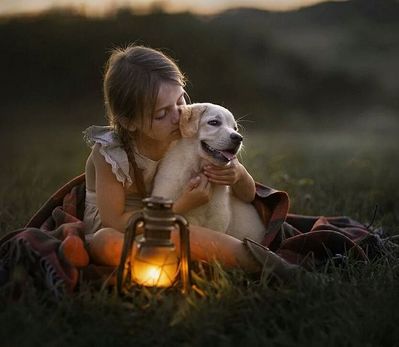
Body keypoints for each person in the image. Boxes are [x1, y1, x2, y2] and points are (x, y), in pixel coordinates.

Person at [82, 44, 300, 282]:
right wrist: (180, 206)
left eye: (180, 101)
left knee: (180, 234)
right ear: (129, 122)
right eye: (162, 114)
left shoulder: (185, 135)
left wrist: (237, 175)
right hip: (123, 229)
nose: (178, 116)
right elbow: (115, 221)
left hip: (170, 224)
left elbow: (248, 195)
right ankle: (233, 263)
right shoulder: (110, 155)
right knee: (111, 241)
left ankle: (273, 267)